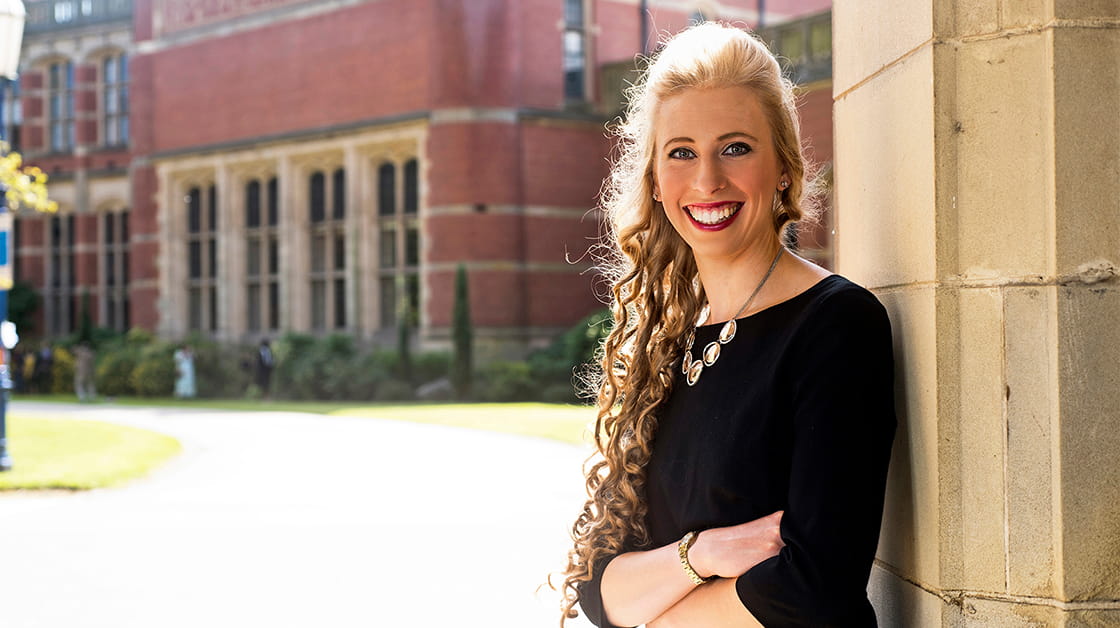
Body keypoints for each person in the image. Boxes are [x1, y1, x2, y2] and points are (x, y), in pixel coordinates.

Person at [557, 23, 896, 628]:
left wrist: (655, 607)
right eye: (681, 152)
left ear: (785, 168)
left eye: (735, 147)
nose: (707, 180)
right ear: (656, 184)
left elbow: (812, 585)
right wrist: (702, 555)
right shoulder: (666, 340)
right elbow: (599, 588)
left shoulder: (837, 326)